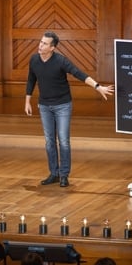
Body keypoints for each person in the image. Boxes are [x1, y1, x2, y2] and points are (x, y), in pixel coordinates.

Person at [24, 30, 114, 188]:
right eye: (41, 42)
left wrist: (98, 87)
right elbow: (31, 80)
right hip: (44, 105)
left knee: (63, 141)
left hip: (62, 105)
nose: (40, 45)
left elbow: (79, 74)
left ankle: (64, 175)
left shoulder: (60, 61)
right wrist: (27, 101)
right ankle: (54, 173)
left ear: (52, 48)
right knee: (49, 141)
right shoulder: (34, 60)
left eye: (44, 43)